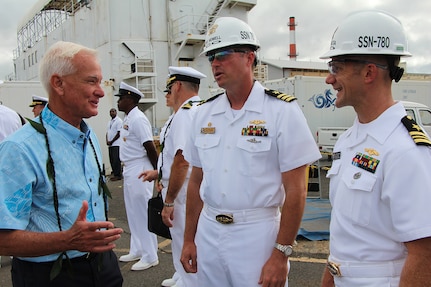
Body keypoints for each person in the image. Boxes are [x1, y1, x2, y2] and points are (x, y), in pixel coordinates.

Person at [180, 17, 321, 287]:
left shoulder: (281, 111)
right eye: (211, 57)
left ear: (249, 58)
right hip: (209, 232)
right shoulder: (203, 114)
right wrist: (189, 238)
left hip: (256, 235)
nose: (215, 64)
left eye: (222, 54)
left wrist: (281, 254)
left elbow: (296, 191)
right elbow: (196, 181)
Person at [319, 10, 431, 287]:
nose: (329, 79)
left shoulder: (406, 150)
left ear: (369, 72)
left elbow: (425, 253)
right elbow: (345, 238)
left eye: (337, 68)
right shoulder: (348, 141)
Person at [0, 41, 124, 287]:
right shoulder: (20, 149)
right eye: (91, 81)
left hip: (103, 265)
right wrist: (68, 240)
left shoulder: (88, 137)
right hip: (49, 276)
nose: (101, 91)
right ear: (58, 84)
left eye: (100, 81)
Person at [140, 66, 206, 287]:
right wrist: (160, 174)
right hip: (185, 186)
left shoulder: (186, 115)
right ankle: (183, 276)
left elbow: (183, 160)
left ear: (177, 86)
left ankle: (189, 281)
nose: (167, 94)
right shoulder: (198, 110)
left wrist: (169, 200)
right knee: (183, 240)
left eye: (169, 88)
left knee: (187, 240)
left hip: (185, 191)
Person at [116, 81, 159, 271]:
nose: (118, 102)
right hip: (130, 168)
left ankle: (150, 255)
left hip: (140, 167)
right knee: (133, 213)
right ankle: (138, 249)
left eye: (121, 98)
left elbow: (149, 146)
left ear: (130, 99)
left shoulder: (138, 119)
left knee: (142, 213)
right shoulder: (128, 118)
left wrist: (160, 173)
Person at [106, 108, 123, 181]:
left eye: (113, 111)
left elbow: (119, 133)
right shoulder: (109, 122)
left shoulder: (118, 121)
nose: (111, 113)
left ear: (116, 112)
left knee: (116, 159)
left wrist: (112, 141)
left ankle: (118, 175)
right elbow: (107, 132)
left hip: (116, 143)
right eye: (110, 112)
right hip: (110, 144)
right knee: (112, 159)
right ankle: (115, 174)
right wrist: (107, 140)